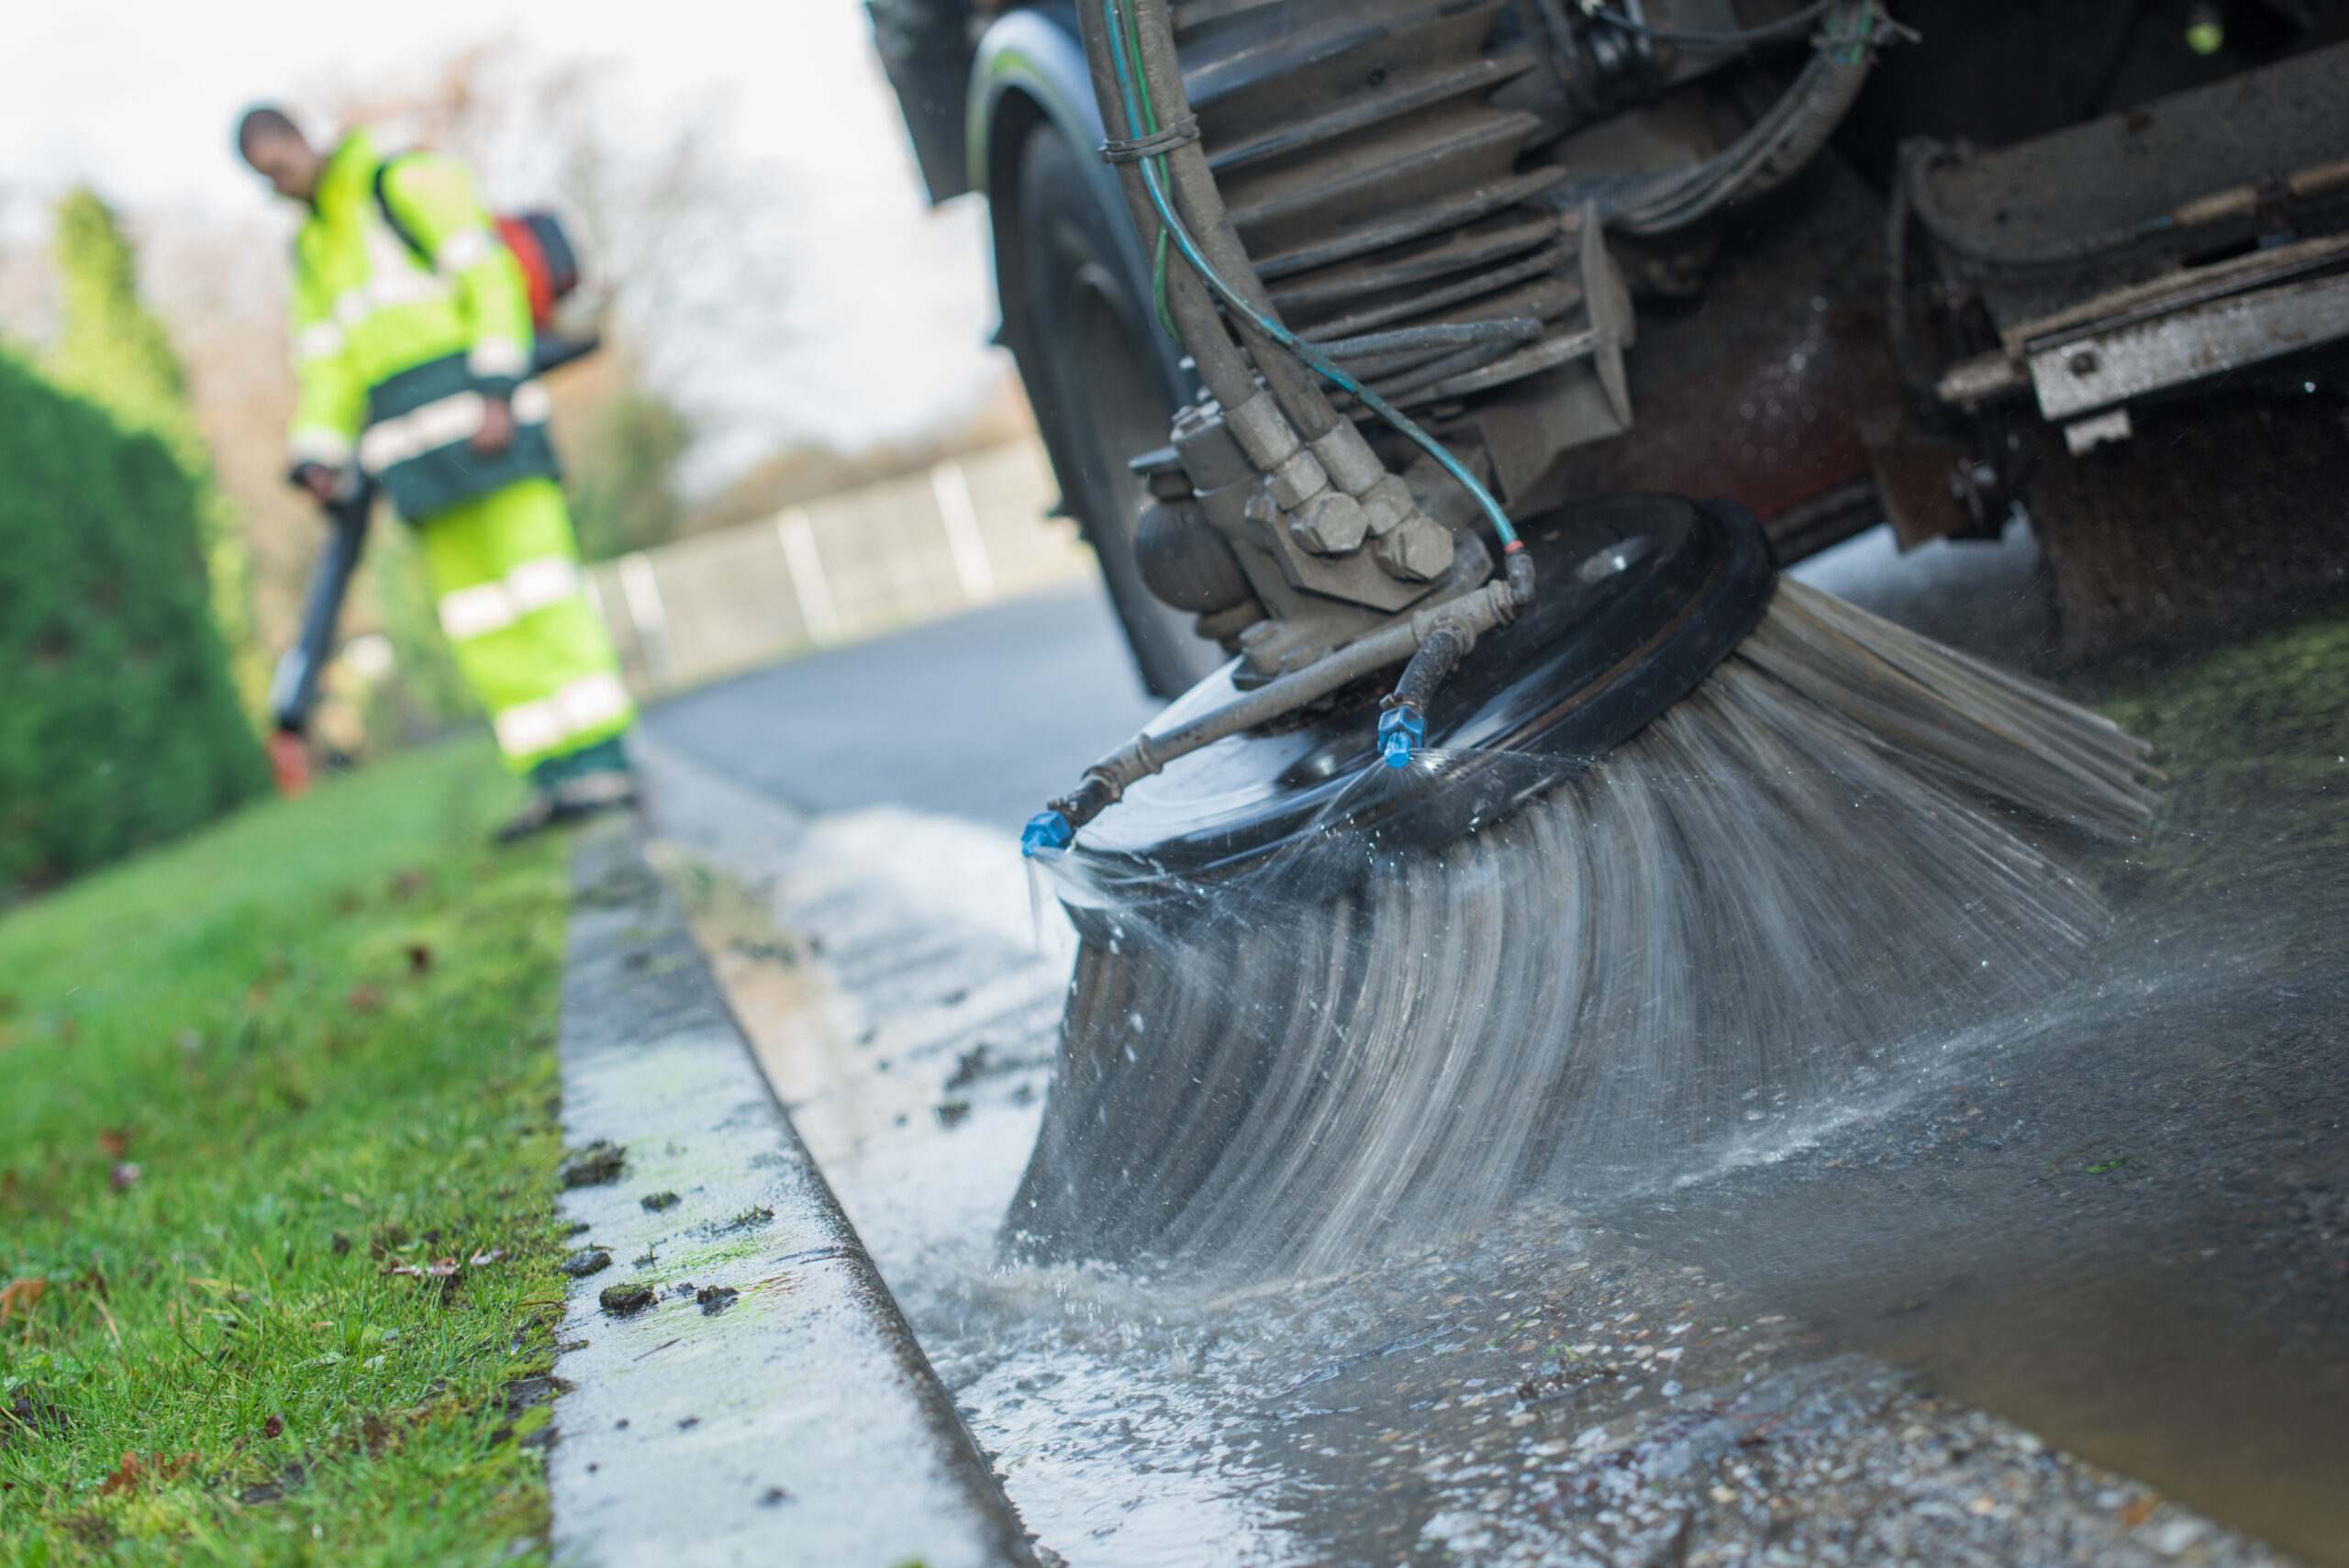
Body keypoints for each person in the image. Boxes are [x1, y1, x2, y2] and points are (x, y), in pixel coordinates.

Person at [238, 104, 635, 840]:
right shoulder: (312, 251)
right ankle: (551, 775)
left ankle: (603, 759)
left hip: (491, 431)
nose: (280, 184)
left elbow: (489, 281)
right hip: (412, 462)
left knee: (543, 591)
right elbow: (324, 364)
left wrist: (497, 388)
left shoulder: (402, 184)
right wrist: (316, 450)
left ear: (300, 139)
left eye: (280, 166)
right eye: (266, 180)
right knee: (479, 618)